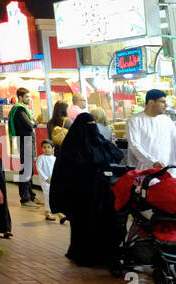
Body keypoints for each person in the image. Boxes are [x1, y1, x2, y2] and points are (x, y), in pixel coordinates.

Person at [50, 112, 125, 267]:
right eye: (88, 125)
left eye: (93, 125)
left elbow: (115, 155)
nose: (91, 129)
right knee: (88, 224)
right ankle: (91, 254)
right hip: (85, 195)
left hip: (94, 194)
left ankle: (87, 253)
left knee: (86, 225)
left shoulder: (77, 145)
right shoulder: (79, 146)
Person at [125, 89, 176, 173]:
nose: (166, 105)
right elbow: (134, 146)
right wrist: (152, 162)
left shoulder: (167, 120)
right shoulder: (134, 121)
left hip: (170, 170)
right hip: (147, 171)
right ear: (151, 102)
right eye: (162, 102)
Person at [7, 88, 39, 207]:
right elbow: (30, 124)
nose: (29, 99)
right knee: (26, 168)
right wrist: (35, 123)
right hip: (25, 141)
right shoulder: (20, 109)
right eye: (27, 97)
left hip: (26, 141)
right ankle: (25, 198)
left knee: (28, 168)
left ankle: (30, 195)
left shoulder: (23, 109)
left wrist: (33, 122)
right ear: (20, 97)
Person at [36, 140, 59, 221]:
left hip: (54, 181)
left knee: (55, 195)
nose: (46, 149)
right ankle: (48, 212)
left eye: (48, 147)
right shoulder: (41, 158)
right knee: (48, 195)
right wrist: (46, 178)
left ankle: (56, 211)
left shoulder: (55, 159)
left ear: (53, 148)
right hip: (45, 181)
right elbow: (39, 169)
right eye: (44, 147)